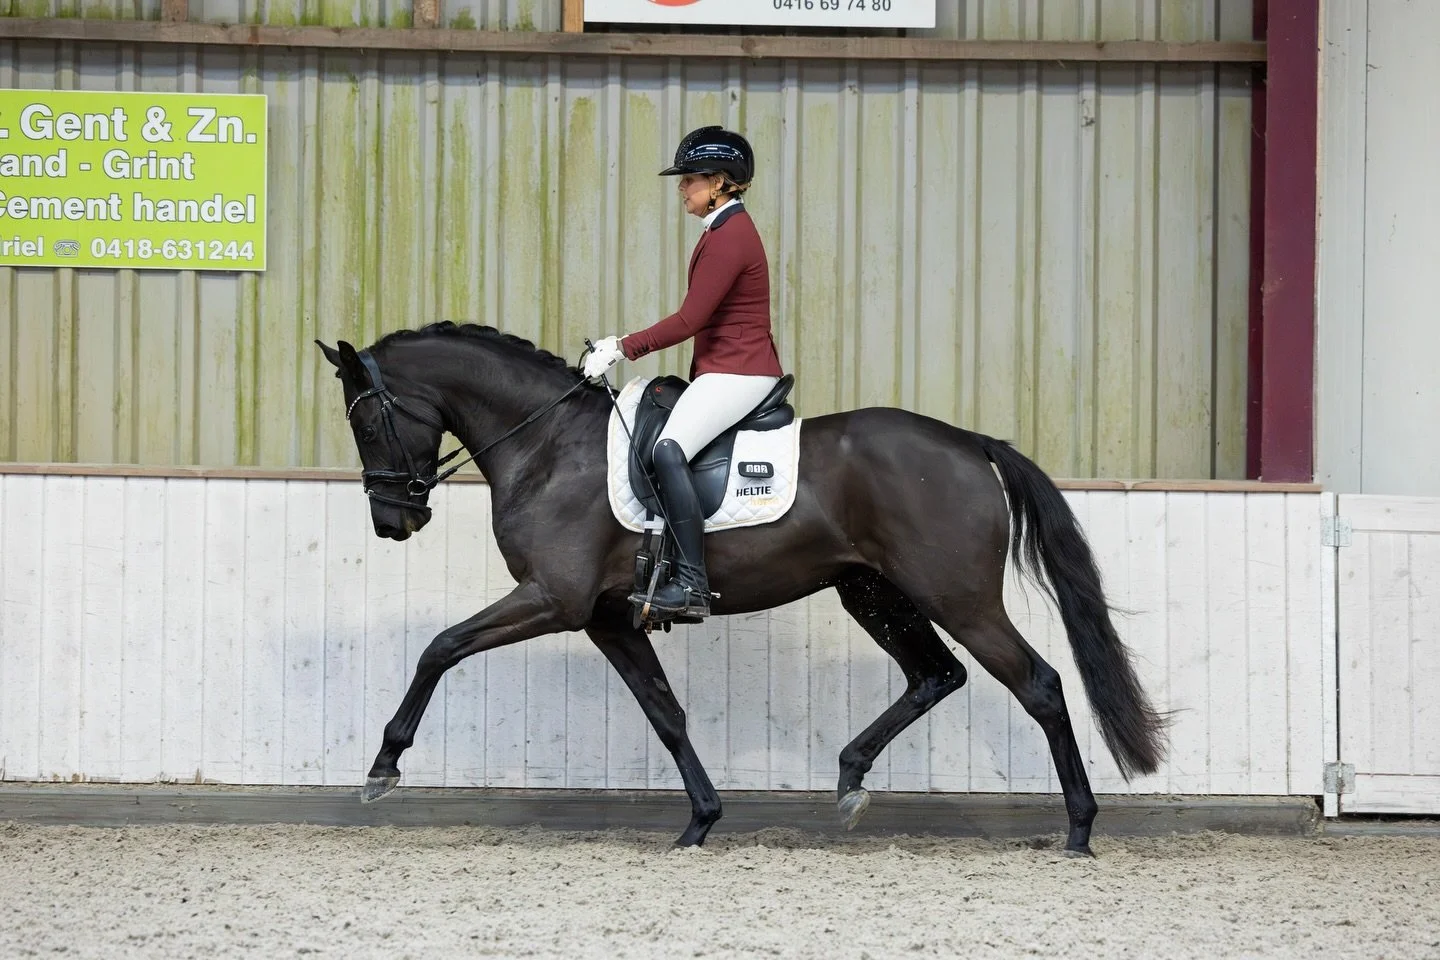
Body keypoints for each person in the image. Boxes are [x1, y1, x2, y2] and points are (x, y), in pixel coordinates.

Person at [583, 125, 786, 621]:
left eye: (690, 179)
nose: (682, 188)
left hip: (740, 371)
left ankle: (692, 581)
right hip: (726, 369)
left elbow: (690, 320)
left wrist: (621, 347)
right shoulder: (721, 231)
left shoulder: (730, 236)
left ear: (719, 182)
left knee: (668, 449)